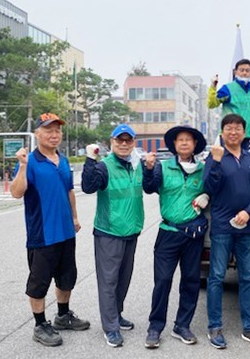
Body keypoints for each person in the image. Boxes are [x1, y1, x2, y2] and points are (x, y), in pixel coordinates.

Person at [10, 112, 90, 348]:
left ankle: (63, 316)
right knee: (39, 282)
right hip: (42, 234)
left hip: (66, 231)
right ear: (37, 134)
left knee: (67, 278)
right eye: (48, 130)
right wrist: (23, 166)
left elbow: (69, 191)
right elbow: (16, 192)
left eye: (57, 130)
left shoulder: (63, 160)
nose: (54, 135)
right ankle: (40, 324)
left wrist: (75, 217)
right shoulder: (30, 161)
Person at [203, 113, 250, 350]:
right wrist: (216, 163)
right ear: (222, 133)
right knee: (217, 277)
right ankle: (215, 327)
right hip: (222, 226)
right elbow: (208, 187)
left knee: (249, 277)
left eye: (237, 128)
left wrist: (248, 211)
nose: (233, 132)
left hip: (247, 227)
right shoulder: (215, 157)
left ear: (244, 132)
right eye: (229, 128)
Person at [142, 125, 209, 349]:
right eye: (180, 140)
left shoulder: (203, 169)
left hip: (193, 235)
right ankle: (155, 327)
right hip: (168, 233)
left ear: (195, 145)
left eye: (188, 140)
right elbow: (149, 187)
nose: (184, 143)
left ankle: (182, 325)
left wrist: (207, 194)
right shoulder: (163, 167)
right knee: (162, 281)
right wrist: (149, 169)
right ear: (174, 145)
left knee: (190, 281)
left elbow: (216, 188)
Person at [81, 124, 144, 348]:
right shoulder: (104, 167)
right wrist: (90, 160)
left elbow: (151, 186)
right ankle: (111, 328)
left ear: (134, 143)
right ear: (112, 143)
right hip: (109, 232)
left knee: (124, 279)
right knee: (108, 282)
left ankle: (116, 315)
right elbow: (88, 187)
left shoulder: (137, 165)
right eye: (120, 140)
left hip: (131, 231)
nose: (124, 144)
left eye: (128, 140)